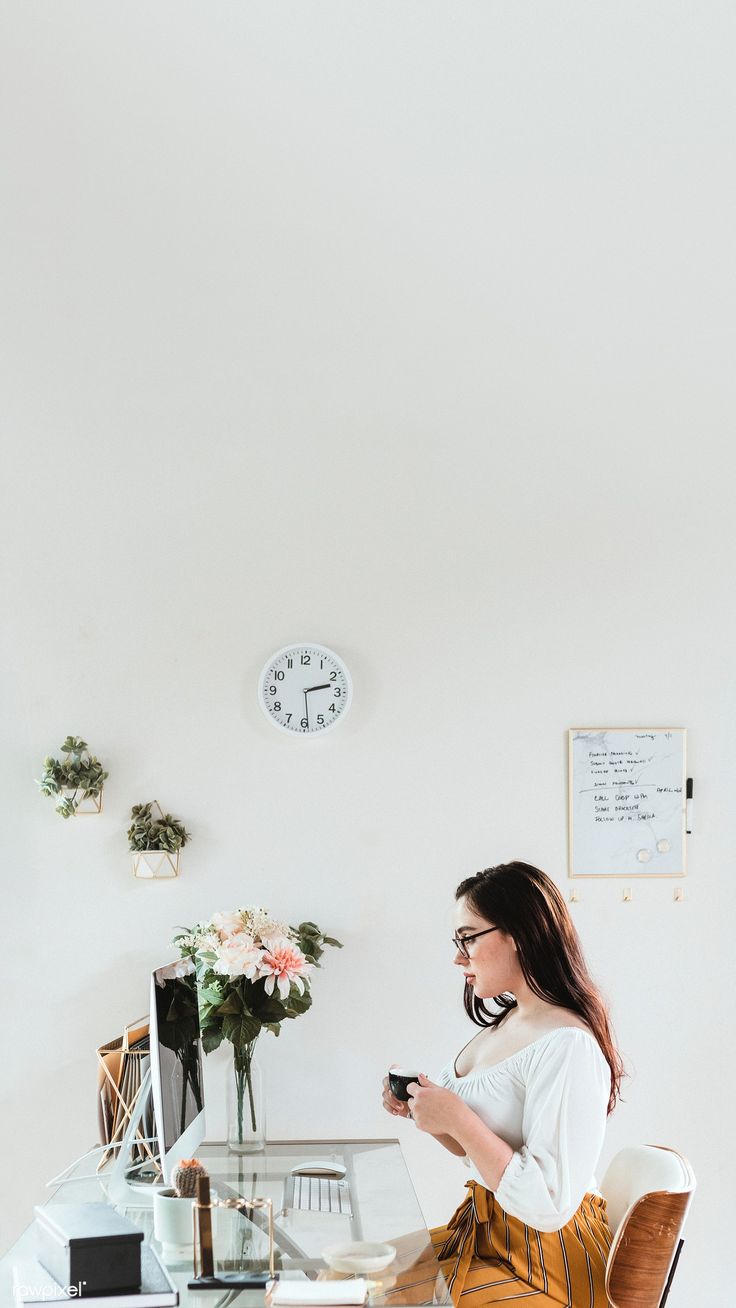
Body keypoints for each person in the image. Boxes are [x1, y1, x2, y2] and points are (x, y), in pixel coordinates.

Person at [382, 861, 625, 1307]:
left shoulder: (567, 1043)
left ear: (518, 933)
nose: (458, 957)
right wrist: (431, 1114)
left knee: (372, 1294)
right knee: (347, 1277)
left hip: (550, 1262)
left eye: (467, 938)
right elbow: (475, 1150)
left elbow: (549, 1204)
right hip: (490, 1234)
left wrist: (456, 1117)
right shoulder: (507, 1023)